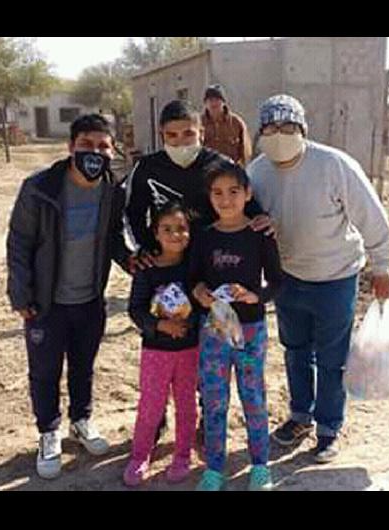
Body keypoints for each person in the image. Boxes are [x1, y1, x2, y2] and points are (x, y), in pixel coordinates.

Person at [247, 94, 389, 464]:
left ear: (303, 130)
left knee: (332, 359)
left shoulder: (333, 165)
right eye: (271, 128)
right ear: (260, 132)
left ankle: (328, 428)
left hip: (335, 277)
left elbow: (371, 216)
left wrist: (381, 265)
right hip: (287, 278)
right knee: (295, 351)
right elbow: (246, 220)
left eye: (288, 128)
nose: (279, 135)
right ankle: (300, 416)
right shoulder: (258, 172)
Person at [125, 99, 273, 450]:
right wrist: (147, 253)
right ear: (161, 136)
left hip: (210, 276)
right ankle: (157, 416)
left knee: (208, 351)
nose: (180, 142)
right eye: (171, 136)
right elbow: (132, 215)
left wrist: (263, 219)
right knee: (165, 343)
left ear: (201, 132)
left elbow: (246, 206)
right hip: (166, 273)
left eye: (188, 133)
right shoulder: (147, 168)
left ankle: (208, 417)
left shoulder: (219, 165)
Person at [6, 113, 137, 479]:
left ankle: (81, 421)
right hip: (46, 303)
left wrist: (133, 262)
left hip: (90, 301)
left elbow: (113, 239)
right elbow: (19, 242)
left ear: (112, 152)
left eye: (102, 147)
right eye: (87, 145)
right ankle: (49, 433)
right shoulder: (40, 188)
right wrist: (21, 293)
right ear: (71, 147)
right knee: (45, 371)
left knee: (83, 366)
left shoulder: (113, 192)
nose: (95, 153)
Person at [189, 161, 283, 491]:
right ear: (209, 197)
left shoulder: (260, 234)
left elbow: (276, 282)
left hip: (251, 331)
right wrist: (199, 292)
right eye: (217, 193)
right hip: (215, 329)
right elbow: (194, 279)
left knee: (253, 397)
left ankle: (260, 466)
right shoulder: (203, 237)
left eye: (233, 192)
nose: (225, 199)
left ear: (248, 194)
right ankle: (214, 469)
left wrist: (254, 297)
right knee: (214, 398)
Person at [124, 203, 199, 486]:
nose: (175, 235)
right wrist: (160, 326)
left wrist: (188, 326)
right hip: (156, 351)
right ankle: (140, 455)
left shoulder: (194, 266)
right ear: (155, 233)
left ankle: (182, 455)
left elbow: (203, 306)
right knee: (151, 405)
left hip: (190, 349)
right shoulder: (147, 268)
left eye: (181, 229)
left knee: (186, 404)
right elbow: (136, 309)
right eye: (167, 229)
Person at [201, 84, 252, 167]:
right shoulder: (199, 124)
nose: (213, 103)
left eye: (217, 99)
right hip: (206, 172)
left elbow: (246, 152)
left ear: (224, 102)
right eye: (210, 100)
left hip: (231, 171)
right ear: (205, 103)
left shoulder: (236, 123)